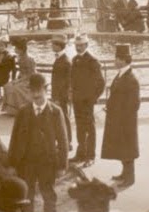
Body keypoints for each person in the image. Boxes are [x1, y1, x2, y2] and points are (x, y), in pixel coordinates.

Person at [7, 73, 68, 212]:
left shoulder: (56, 112)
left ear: (46, 90)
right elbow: (14, 139)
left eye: (39, 90)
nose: (35, 95)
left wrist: (62, 166)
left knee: (49, 194)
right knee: (27, 195)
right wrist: (11, 163)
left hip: (47, 162)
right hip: (26, 162)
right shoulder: (23, 112)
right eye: (32, 91)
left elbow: (63, 141)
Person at [100, 44, 140, 186]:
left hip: (125, 122)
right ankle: (125, 174)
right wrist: (110, 107)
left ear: (123, 60)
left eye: (116, 58)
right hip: (118, 119)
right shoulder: (121, 74)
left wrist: (120, 116)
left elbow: (134, 104)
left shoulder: (131, 79)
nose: (114, 61)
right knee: (122, 149)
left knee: (128, 150)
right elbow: (116, 96)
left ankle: (130, 178)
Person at [71, 35, 105, 166]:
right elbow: (73, 79)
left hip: (87, 101)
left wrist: (93, 98)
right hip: (77, 100)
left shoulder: (93, 61)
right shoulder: (75, 60)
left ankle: (91, 156)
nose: (78, 48)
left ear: (86, 45)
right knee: (79, 127)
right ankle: (81, 154)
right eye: (76, 45)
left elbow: (101, 83)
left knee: (89, 128)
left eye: (81, 45)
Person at [49, 36, 73, 151]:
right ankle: (64, 141)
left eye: (54, 44)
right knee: (61, 117)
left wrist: (58, 97)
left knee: (64, 117)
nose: (52, 46)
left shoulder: (65, 61)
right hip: (57, 95)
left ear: (59, 46)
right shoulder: (60, 59)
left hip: (61, 95)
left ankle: (67, 142)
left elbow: (67, 82)